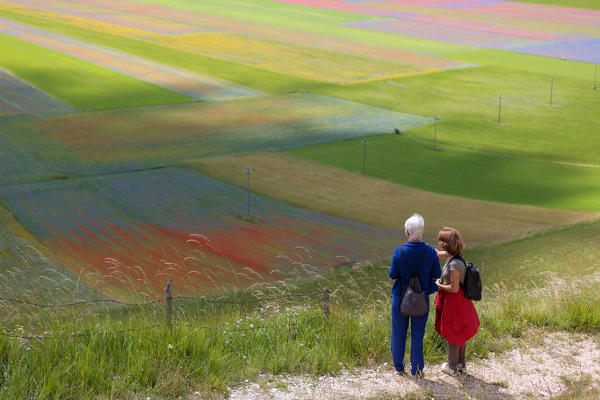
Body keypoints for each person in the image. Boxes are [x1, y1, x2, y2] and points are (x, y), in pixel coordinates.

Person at [389, 213, 441, 377]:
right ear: (422, 232)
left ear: (407, 232)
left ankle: (399, 367)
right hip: (421, 298)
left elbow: (392, 274)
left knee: (398, 332)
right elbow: (436, 274)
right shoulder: (430, 252)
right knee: (417, 334)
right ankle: (417, 369)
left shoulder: (399, 251)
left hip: (400, 298)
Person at [434, 227, 480, 376]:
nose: (440, 243)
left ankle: (451, 367)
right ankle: (461, 364)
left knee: (452, 332)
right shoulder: (454, 255)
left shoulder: (454, 265)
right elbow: (439, 254)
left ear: (448, 243)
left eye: (442, 240)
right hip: (460, 302)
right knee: (459, 330)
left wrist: (439, 285)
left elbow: (454, 288)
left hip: (455, 302)